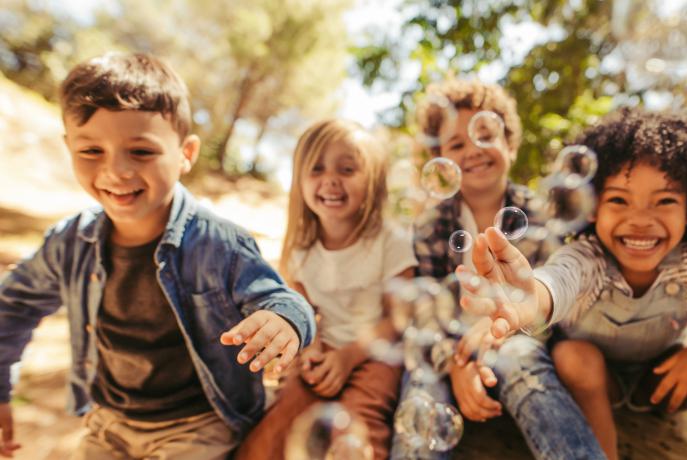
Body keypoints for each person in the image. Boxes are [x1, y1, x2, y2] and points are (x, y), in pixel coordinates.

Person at [0, 52, 316, 460]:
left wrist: (284, 321)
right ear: (68, 147)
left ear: (186, 153)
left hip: (198, 426)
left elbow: (285, 300)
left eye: (141, 152)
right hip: (110, 422)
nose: (116, 171)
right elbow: (12, 307)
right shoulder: (70, 242)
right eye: (91, 151)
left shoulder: (219, 243)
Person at [458, 108, 687, 460]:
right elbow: (555, 281)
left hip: (660, 377)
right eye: (619, 200)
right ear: (590, 207)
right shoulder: (586, 259)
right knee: (574, 355)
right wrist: (531, 297)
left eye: (665, 201)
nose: (640, 220)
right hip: (592, 379)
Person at [390, 79, 605, 460]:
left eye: (486, 135)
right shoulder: (431, 226)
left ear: (510, 143)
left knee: (523, 363)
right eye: (456, 145)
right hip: (446, 346)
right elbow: (423, 310)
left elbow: (548, 303)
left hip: (516, 340)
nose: (474, 149)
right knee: (422, 388)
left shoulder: (538, 215)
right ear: (442, 161)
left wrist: (493, 340)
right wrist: (455, 363)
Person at [236, 119, 417, 460]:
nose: (330, 180)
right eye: (316, 169)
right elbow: (303, 311)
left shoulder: (389, 241)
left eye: (347, 169)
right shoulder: (302, 251)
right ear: (299, 182)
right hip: (324, 352)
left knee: (359, 425)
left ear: (374, 183)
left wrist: (349, 357)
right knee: (282, 419)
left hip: (376, 354)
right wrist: (313, 348)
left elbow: (399, 317)